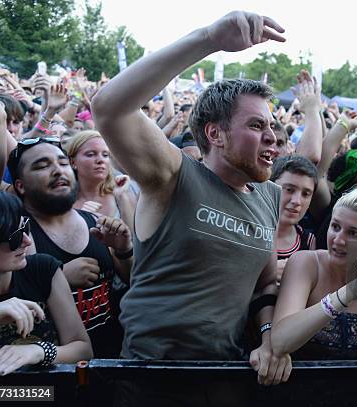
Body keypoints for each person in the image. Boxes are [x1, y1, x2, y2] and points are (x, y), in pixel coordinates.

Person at [91, 10, 291, 393]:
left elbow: (265, 282)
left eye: (272, 127)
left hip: (224, 376)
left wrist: (269, 336)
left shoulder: (271, 195)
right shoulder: (173, 175)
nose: (273, 138)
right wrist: (209, 39)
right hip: (150, 377)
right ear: (215, 133)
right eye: (256, 125)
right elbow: (109, 107)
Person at [6, 138, 133, 358]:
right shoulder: (18, 236)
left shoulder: (96, 222)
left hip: (111, 364)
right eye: (42, 166)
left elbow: (133, 280)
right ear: (20, 185)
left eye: (63, 163)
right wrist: (59, 278)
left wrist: (124, 250)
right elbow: (11, 305)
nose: (57, 170)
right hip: (50, 375)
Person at [272, 184, 357, 379]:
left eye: (353, 233)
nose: (338, 240)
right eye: (335, 227)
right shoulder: (307, 263)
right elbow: (280, 341)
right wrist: (351, 291)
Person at [0, 188, 92, 379]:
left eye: (24, 227)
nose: (26, 241)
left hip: (50, 394)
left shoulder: (43, 270)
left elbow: (84, 349)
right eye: (15, 237)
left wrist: (38, 351)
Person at [65, 130, 137, 230]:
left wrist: (122, 198)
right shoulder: (63, 201)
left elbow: (135, 240)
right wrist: (81, 219)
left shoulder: (124, 193)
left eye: (105, 155)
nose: (100, 160)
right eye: (90, 154)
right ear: (72, 162)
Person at [270, 155, 317, 283]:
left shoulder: (308, 241)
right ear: (269, 187)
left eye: (306, 194)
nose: (297, 201)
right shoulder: (248, 231)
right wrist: (270, 271)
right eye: (289, 190)